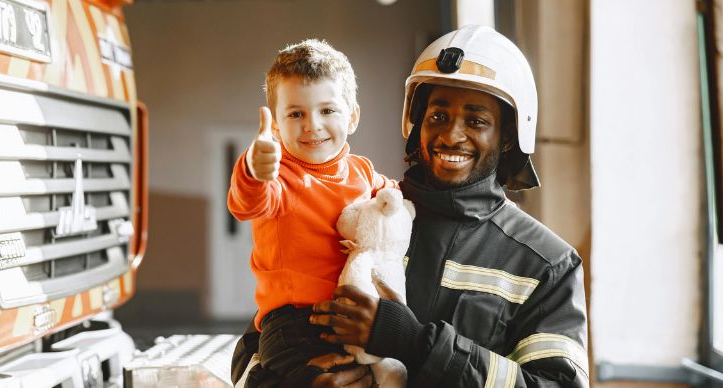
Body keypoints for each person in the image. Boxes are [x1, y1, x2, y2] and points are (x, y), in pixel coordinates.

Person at [232, 25, 589, 388]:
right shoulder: (369, 213)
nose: (451, 135)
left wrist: (416, 343)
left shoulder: (547, 264)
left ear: (509, 134)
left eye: (476, 121)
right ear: (416, 122)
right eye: (437, 116)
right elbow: (254, 347)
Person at [227, 39, 396, 387]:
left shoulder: (361, 171)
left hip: (351, 319)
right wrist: (252, 168)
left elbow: (396, 198)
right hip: (295, 326)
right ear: (275, 126)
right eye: (295, 114)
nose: (312, 125)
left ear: (352, 117)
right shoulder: (282, 178)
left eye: (327, 110)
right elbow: (249, 202)